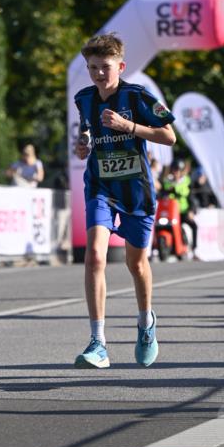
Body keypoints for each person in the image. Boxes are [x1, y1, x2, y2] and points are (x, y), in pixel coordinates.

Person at [73, 31, 176, 368]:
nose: (99, 74)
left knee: (137, 264)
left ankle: (146, 323)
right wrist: (82, 144)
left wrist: (128, 126)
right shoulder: (84, 98)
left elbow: (169, 136)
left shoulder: (137, 97)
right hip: (101, 187)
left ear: (121, 66)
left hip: (136, 191)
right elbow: (85, 129)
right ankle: (98, 343)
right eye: (93, 68)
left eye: (105, 67)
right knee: (95, 258)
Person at [161, 157, 197, 254]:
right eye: (174, 170)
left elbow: (190, 196)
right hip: (171, 212)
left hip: (183, 211)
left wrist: (192, 210)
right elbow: (163, 193)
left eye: (177, 170)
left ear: (181, 171)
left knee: (194, 226)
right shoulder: (167, 181)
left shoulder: (186, 181)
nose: (176, 172)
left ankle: (194, 249)